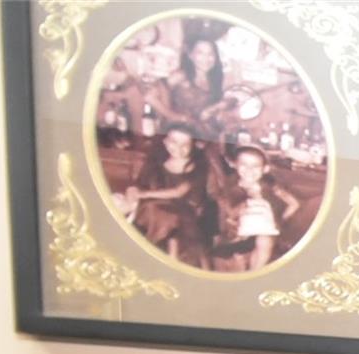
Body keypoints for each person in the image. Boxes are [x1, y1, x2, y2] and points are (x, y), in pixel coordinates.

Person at [119, 122, 210, 267]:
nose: (179, 148)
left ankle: (171, 259)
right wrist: (133, 191)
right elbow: (140, 183)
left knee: (164, 216)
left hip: (183, 211)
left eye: (185, 144)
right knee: (151, 211)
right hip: (151, 208)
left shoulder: (196, 166)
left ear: (192, 145)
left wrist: (144, 194)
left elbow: (178, 192)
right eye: (174, 142)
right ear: (165, 142)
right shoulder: (156, 161)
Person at [210, 146, 299, 271]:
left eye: (255, 166)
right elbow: (228, 215)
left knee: (265, 239)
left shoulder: (271, 187)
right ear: (234, 164)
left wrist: (280, 221)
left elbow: (294, 204)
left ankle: (255, 273)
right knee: (233, 257)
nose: (249, 170)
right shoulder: (229, 188)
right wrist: (240, 211)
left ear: (265, 169)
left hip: (266, 232)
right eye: (244, 164)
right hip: (240, 233)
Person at [165, 36, 231, 140]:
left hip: (205, 135)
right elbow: (150, 94)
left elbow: (229, 100)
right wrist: (172, 116)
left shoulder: (215, 80)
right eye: (200, 53)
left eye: (210, 54)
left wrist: (215, 108)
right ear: (191, 55)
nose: (206, 58)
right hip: (180, 135)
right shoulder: (181, 76)